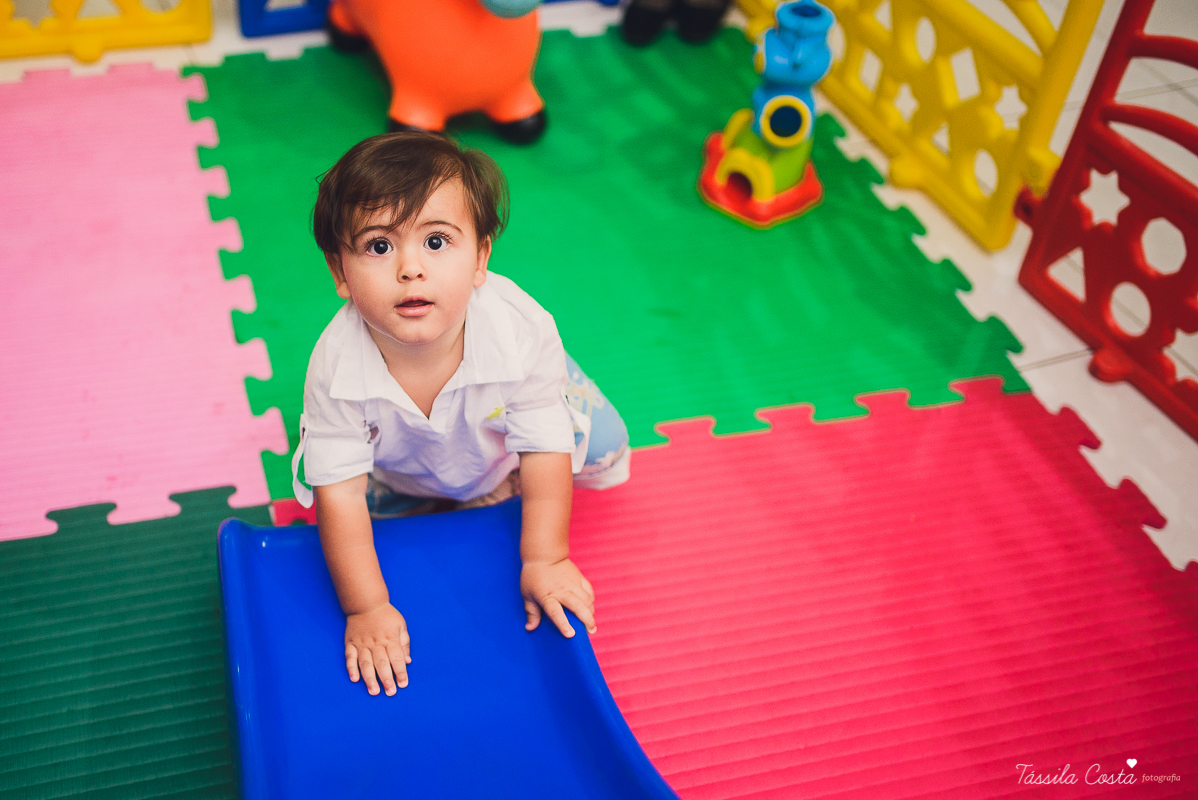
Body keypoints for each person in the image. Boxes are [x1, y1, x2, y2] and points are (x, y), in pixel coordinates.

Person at [291, 131, 630, 697]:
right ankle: (464, 481)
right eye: (378, 246)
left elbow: (546, 446)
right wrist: (367, 607)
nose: (410, 269)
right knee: (348, 520)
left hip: (498, 428)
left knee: (598, 443)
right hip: (398, 464)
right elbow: (342, 495)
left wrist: (546, 558)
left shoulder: (519, 327)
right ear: (339, 272)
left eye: (437, 241)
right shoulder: (333, 366)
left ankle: (548, 388)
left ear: (481, 257)